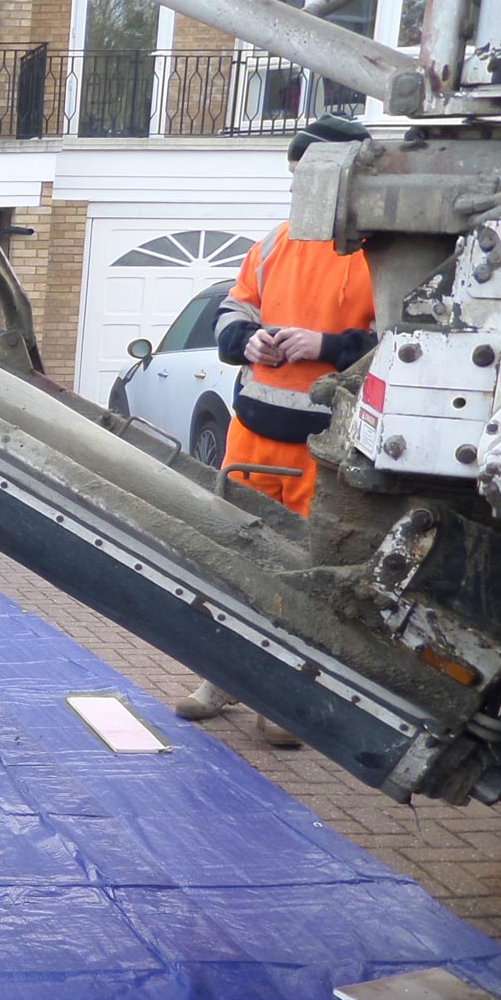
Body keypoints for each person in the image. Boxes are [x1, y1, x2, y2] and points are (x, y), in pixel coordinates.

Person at [176, 114, 377, 745]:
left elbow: (398, 342)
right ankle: (221, 676)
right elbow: (233, 310)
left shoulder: (383, 255)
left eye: (305, 179)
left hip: (327, 451)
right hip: (254, 436)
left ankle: (285, 698)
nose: (296, 192)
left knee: (303, 574)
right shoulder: (274, 242)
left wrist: (326, 344)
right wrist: (248, 340)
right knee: (233, 558)